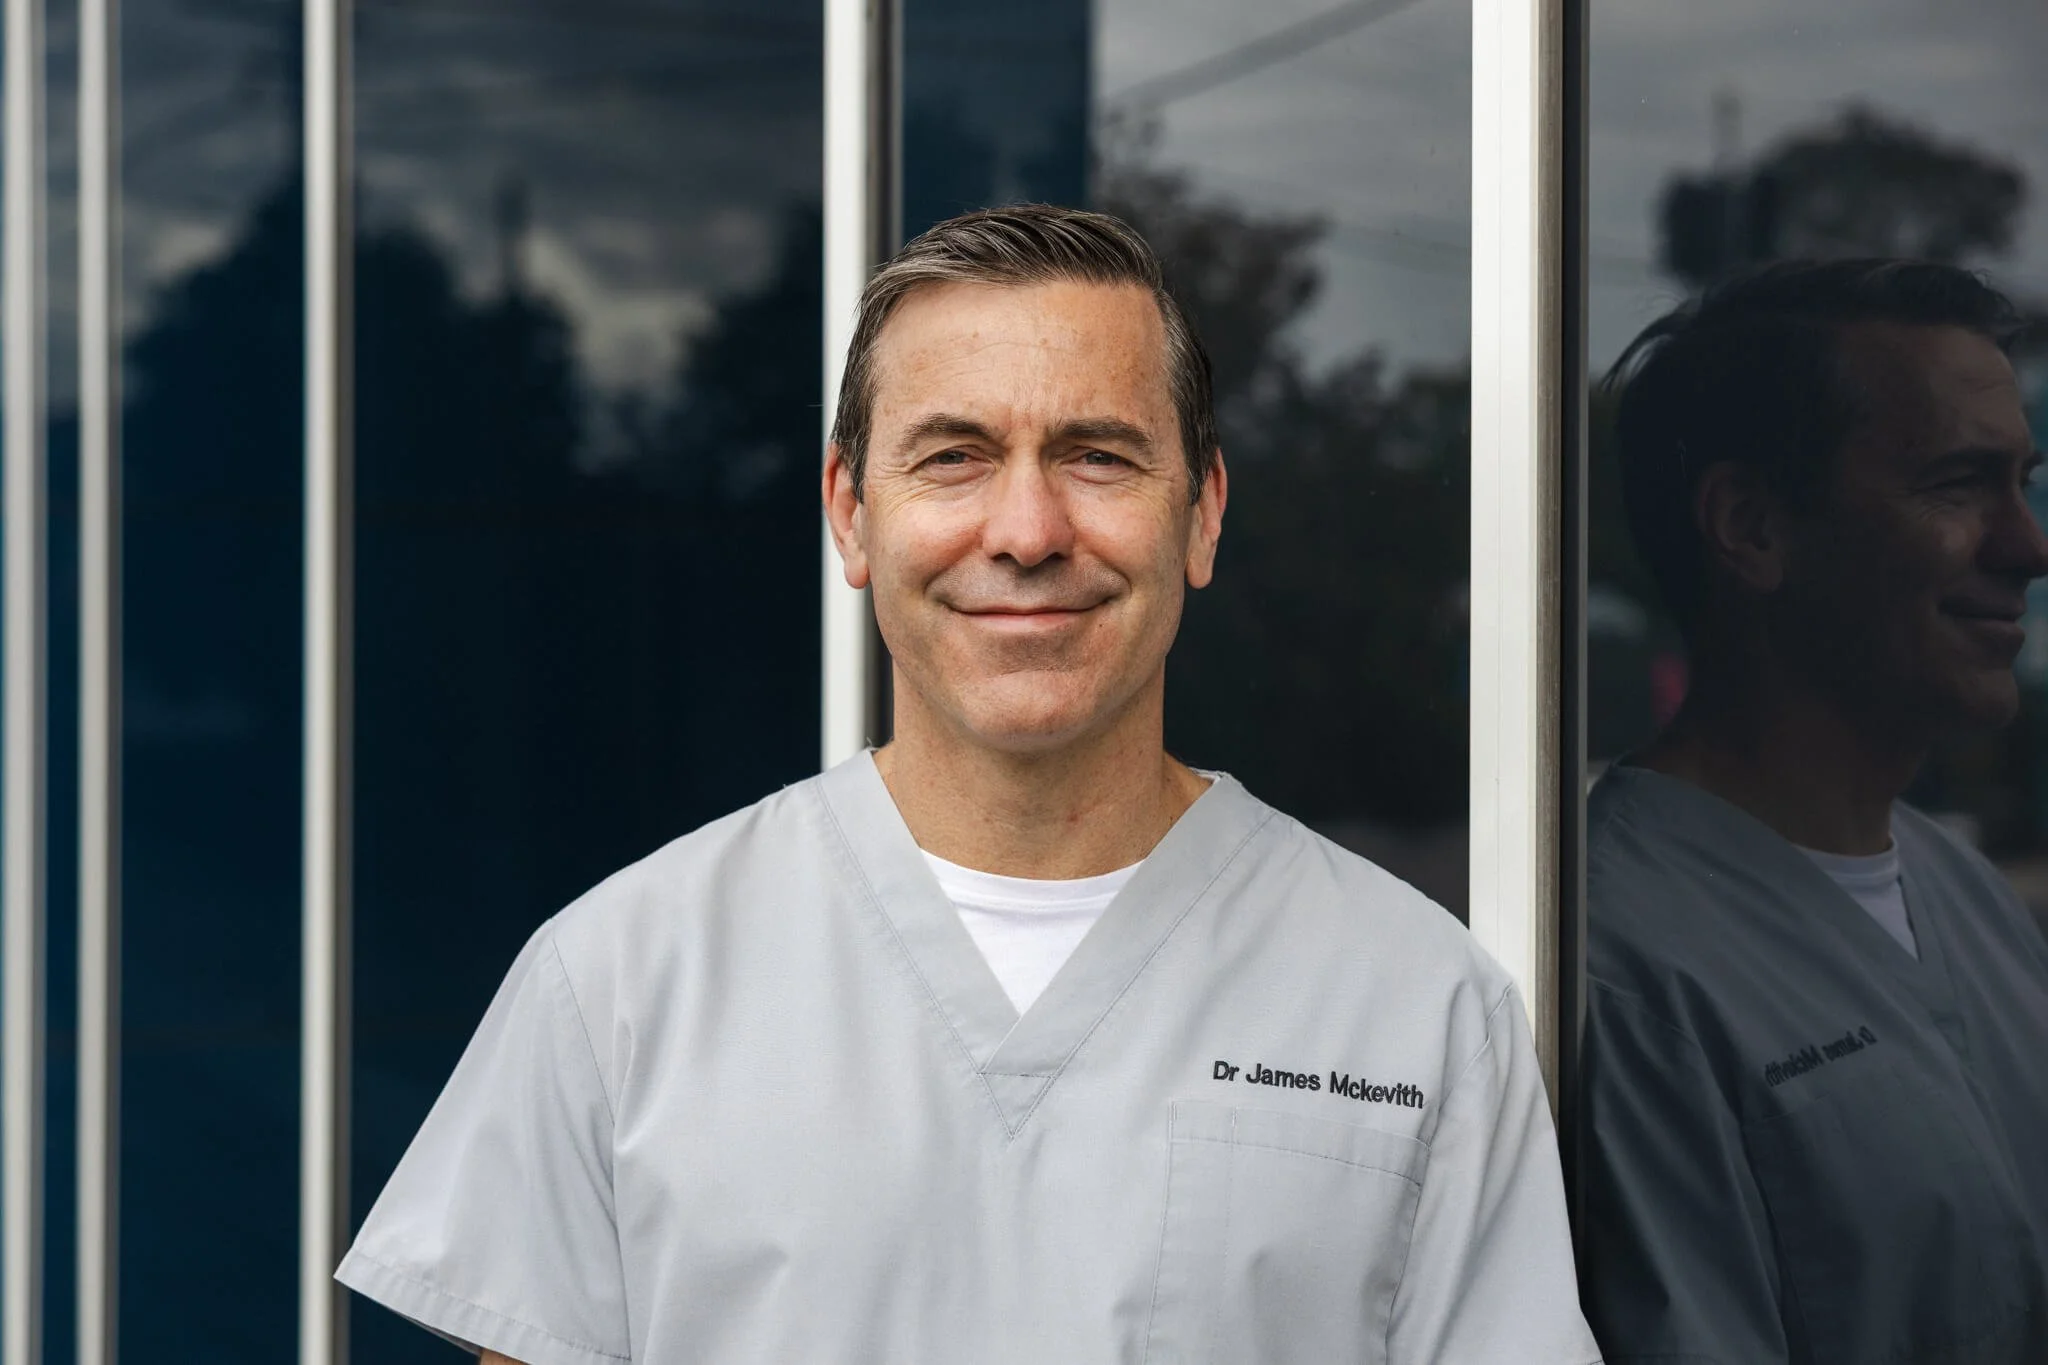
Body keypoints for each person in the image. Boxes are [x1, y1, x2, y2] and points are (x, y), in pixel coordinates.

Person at [338, 204, 1598, 1365]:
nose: (1026, 530)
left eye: (1097, 455)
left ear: (1201, 514)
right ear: (850, 513)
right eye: (952, 457)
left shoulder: (1415, 1006)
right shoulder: (618, 983)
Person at [1578, 259, 2048, 1363]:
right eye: (1955, 484)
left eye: (2022, 482)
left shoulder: (1967, 901)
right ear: (1749, 528)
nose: (2028, 547)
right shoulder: (1621, 976)